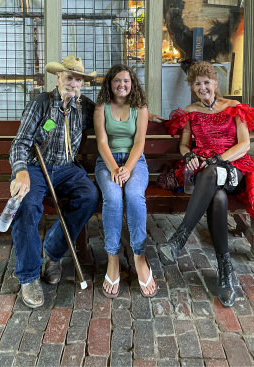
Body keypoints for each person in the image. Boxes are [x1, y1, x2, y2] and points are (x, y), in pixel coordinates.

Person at [158, 61, 254, 307]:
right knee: (218, 197)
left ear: (215, 83)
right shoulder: (191, 112)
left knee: (212, 173)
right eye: (197, 83)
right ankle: (226, 273)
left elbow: (244, 144)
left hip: (235, 168)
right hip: (207, 174)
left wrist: (218, 158)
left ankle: (180, 239)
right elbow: (184, 144)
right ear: (192, 87)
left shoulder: (234, 107)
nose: (202, 87)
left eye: (206, 82)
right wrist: (188, 156)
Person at [9, 55, 99, 308]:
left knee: (89, 196)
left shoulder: (85, 107)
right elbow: (20, 143)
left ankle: (53, 252)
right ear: (58, 77)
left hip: (68, 169)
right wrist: (21, 172)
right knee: (26, 204)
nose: (73, 83)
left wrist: (141, 111)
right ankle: (28, 276)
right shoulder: (41, 103)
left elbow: (115, 113)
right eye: (69, 77)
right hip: (36, 167)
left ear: (82, 83)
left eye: (78, 79)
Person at [94, 64, 157, 298]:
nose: (122, 85)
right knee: (112, 197)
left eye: (126, 81)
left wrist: (128, 169)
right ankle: (113, 258)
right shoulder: (101, 107)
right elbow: (101, 142)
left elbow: (140, 142)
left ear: (133, 84)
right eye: (117, 81)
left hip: (135, 162)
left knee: (133, 195)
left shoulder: (139, 107)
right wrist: (114, 168)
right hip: (107, 162)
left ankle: (139, 256)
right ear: (110, 84)